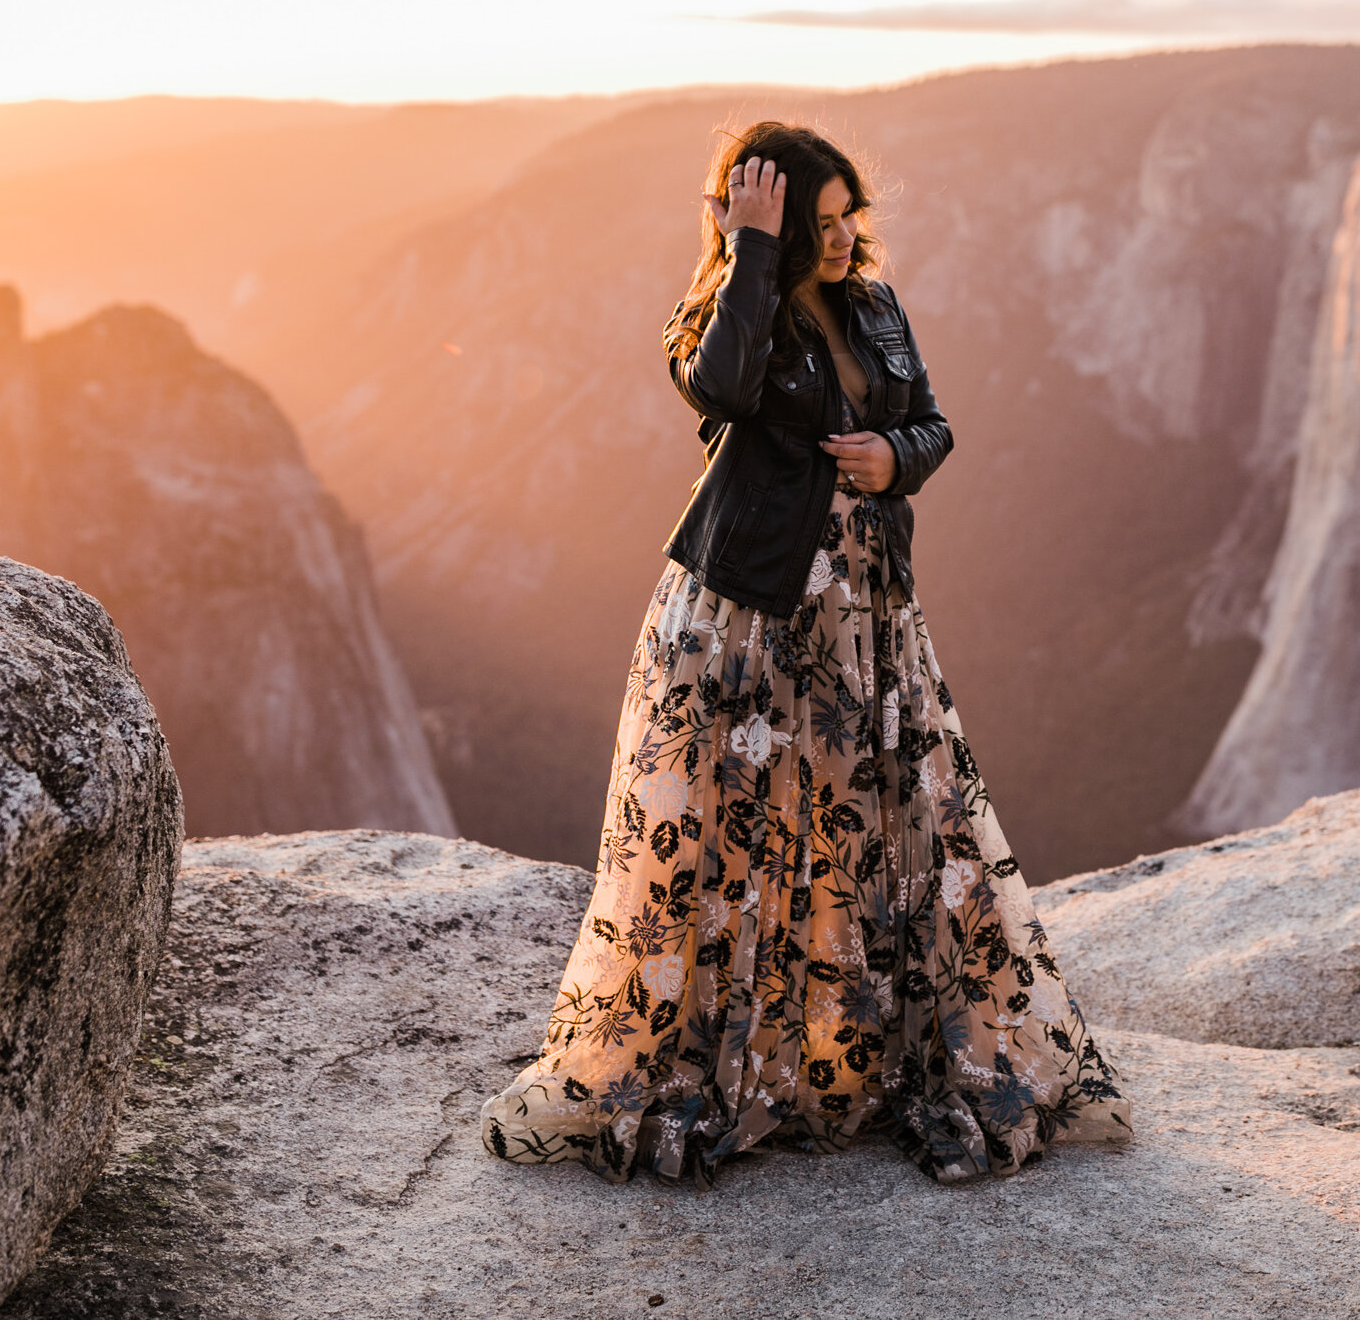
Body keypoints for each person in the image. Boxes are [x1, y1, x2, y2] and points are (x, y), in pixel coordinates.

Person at [481, 122, 1129, 1185]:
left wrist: (895, 453)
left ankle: (856, 1054)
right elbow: (722, 390)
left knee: (877, 823)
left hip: (866, 614)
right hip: (750, 611)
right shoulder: (719, 313)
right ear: (768, 231)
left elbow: (933, 421)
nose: (841, 240)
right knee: (740, 837)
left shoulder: (876, 309)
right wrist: (746, 251)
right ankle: (738, 1060)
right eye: (817, 225)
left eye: (847, 219)